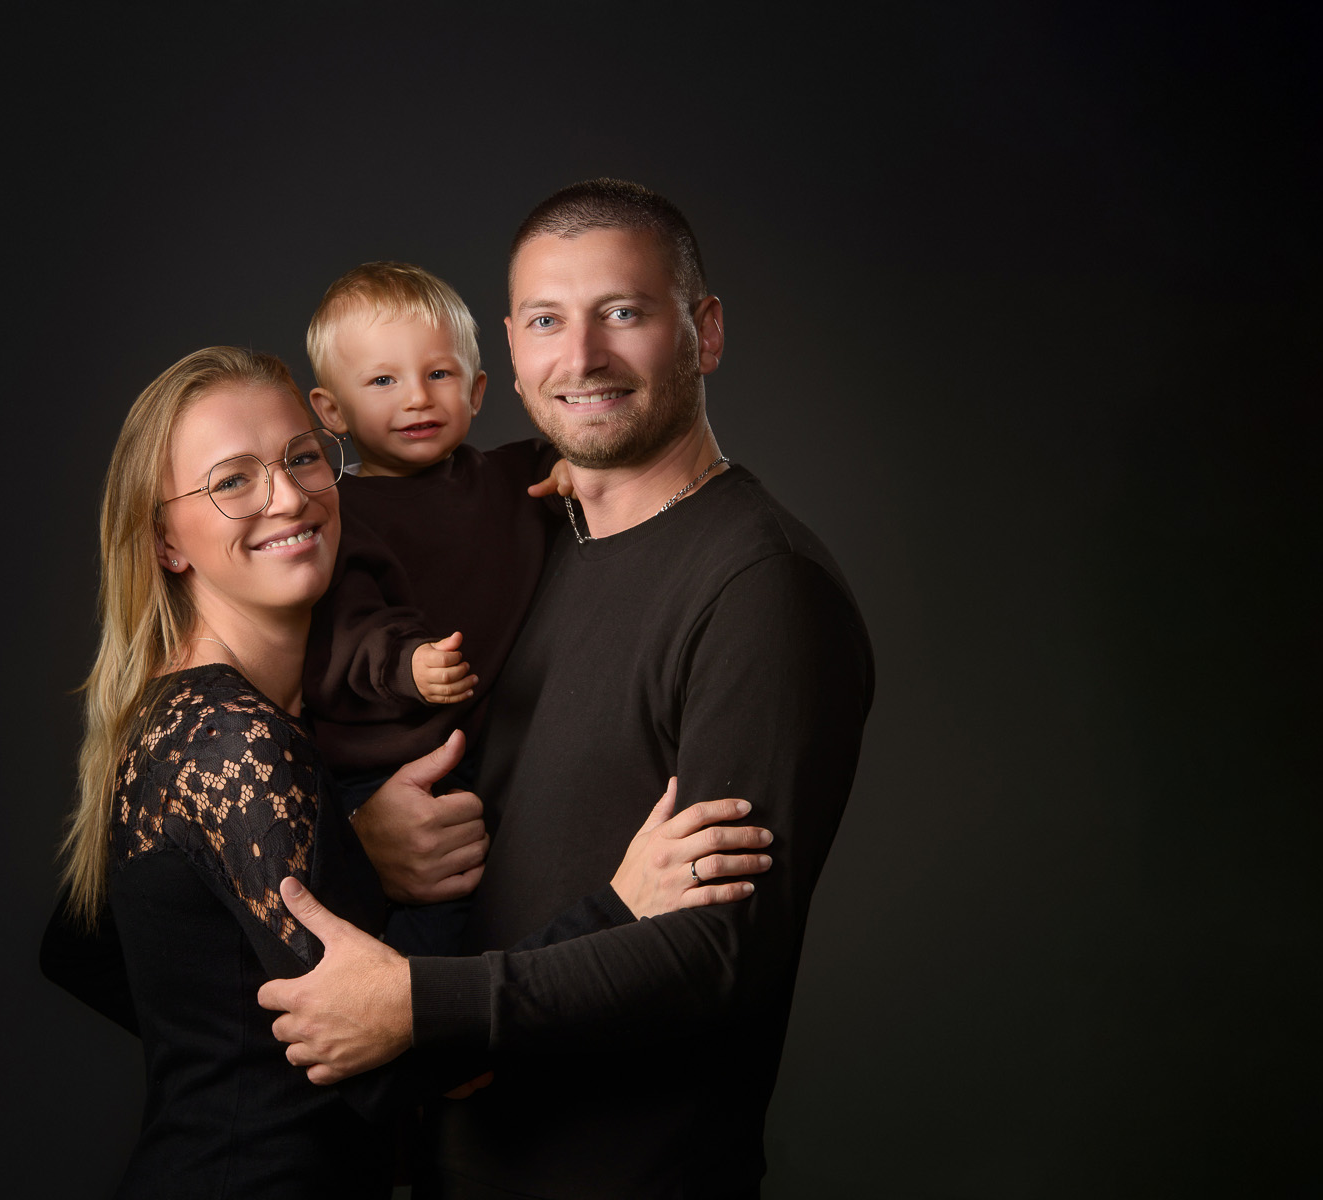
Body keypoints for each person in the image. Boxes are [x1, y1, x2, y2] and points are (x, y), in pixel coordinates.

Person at [40, 344, 777, 1198]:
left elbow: (80, 948)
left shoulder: (200, 715)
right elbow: (402, 1067)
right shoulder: (234, 744)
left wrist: (337, 866)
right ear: (168, 540)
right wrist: (622, 907)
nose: (288, 497)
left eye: (303, 457)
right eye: (231, 481)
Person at [259, 180, 875, 1199]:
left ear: (705, 332)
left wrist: (424, 1006)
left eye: (623, 313)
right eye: (549, 319)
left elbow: (719, 956)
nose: (580, 357)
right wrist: (364, 848)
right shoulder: (531, 543)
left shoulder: (761, 588)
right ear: (511, 345)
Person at [300, 261, 561, 952]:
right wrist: (407, 664)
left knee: (511, 903)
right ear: (332, 411)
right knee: (434, 910)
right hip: (387, 760)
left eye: (438, 375)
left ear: (476, 390)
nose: (416, 397)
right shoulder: (340, 513)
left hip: (484, 749)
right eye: (383, 381)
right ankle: (419, 1036)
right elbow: (348, 626)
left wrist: (578, 469)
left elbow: (573, 454)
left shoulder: (514, 479)